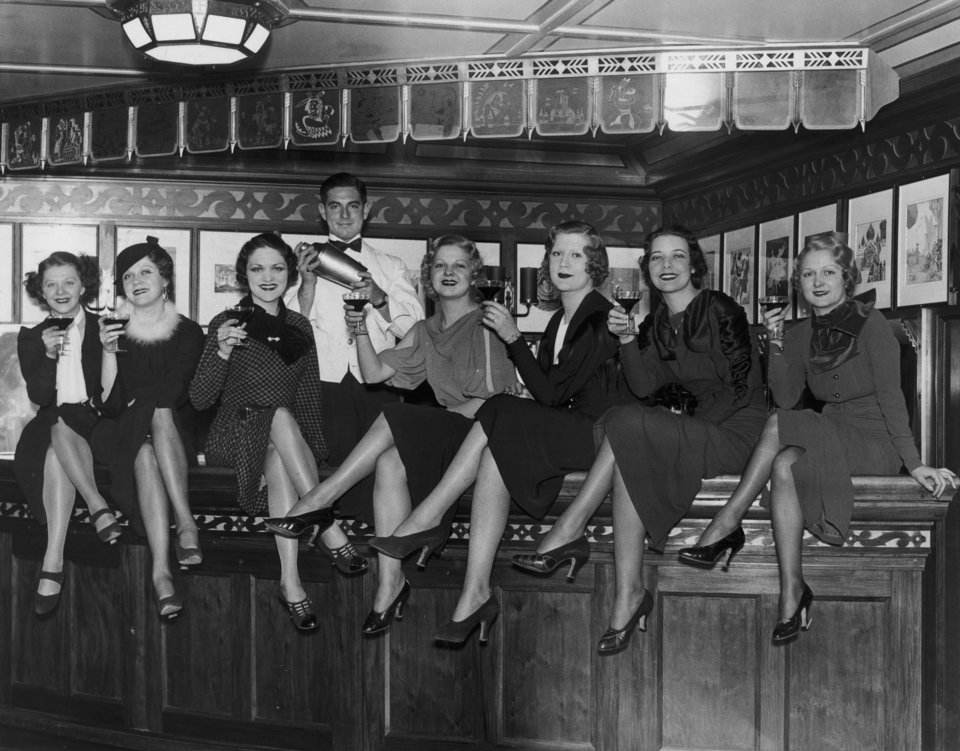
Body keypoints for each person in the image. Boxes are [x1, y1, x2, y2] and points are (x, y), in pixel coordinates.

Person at [677, 232, 957, 643]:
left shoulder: (872, 325)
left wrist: (913, 463)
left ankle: (728, 521)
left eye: (829, 272)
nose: (818, 281)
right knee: (784, 462)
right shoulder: (799, 333)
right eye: (808, 274)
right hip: (829, 433)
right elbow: (787, 397)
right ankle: (793, 591)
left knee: (778, 424)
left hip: (873, 441)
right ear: (799, 284)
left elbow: (892, 398)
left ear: (847, 278)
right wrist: (775, 342)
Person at [370, 220, 636, 645]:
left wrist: (512, 338)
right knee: (495, 450)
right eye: (557, 253)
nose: (564, 262)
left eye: (576, 255)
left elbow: (553, 395)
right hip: (568, 428)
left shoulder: (599, 316)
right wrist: (522, 388)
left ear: (595, 264)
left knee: (496, 407)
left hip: (601, 440)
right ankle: (474, 594)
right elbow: (552, 390)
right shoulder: (561, 318)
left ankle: (429, 516)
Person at [514, 225, 767, 654]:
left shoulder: (719, 307)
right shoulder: (655, 324)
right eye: (657, 258)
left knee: (628, 423)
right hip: (697, 429)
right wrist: (629, 340)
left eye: (677, 256)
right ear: (646, 268)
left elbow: (744, 389)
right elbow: (644, 385)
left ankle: (570, 529)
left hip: (738, 429)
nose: (667, 265)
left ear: (694, 266)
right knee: (626, 432)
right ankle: (627, 595)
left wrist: (684, 429)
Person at [266, 234, 517, 635]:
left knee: (395, 413)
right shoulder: (424, 328)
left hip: (479, 436)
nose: (448, 273)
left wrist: (437, 418)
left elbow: (499, 401)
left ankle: (320, 499)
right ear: (428, 276)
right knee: (388, 461)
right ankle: (390, 583)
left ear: (474, 275)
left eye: (458, 266)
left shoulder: (489, 321)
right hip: (446, 433)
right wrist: (361, 330)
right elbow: (375, 374)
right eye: (440, 266)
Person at [190, 233, 362, 632]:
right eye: (257, 269)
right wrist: (221, 352)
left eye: (277, 268)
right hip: (232, 435)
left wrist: (314, 451)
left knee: (280, 445)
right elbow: (199, 400)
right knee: (280, 416)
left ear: (290, 273)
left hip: (279, 442)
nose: (267, 277)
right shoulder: (227, 323)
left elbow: (308, 397)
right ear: (244, 275)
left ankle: (291, 582)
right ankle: (327, 523)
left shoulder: (299, 326)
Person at [91, 238, 204, 620]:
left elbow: (175, 390)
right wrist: (108, 352)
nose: (136, 281)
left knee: (150, 438)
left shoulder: (188, 331)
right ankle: (185, 524)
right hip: (120, 431)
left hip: (170, 434)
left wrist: (138, 401)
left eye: (145, 272)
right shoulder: (113, 330)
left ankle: (160, 574)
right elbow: (110, 405)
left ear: (165, 279)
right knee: (152, 418)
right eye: (128, 276)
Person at [285, 172, 423, 467]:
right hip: (321, 384)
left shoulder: (392, 266)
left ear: (366, 209)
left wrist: (379, 297)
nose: (345, 215)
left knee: (378, 470)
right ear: (323, 211)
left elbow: (416, 330)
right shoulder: (301, 265)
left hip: (379, 385)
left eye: (353, 206)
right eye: (335, 206)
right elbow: (288, 332)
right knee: (324, 468)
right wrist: (307, 284)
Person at [14, 252, 120, 615]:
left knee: (61, 430)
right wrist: (47, 356)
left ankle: (52, 563)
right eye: (51, 284)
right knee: (56, 437)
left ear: (83, 285)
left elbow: (114, 399)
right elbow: (40, 397)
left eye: (69, 282)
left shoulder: (106, 326)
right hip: (51, 422)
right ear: (41, 291)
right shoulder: (32, 337)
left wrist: (110, 351)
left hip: (97, 421)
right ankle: (94, 511)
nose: (60, 291)